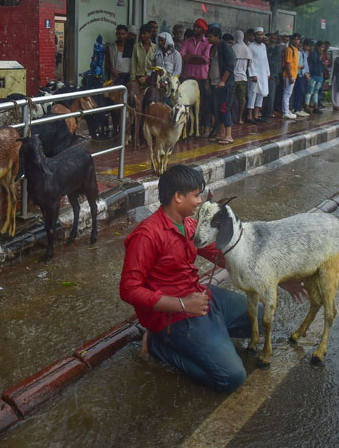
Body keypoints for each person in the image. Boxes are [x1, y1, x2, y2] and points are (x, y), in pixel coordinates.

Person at [119, 164, 306, 393]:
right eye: (196, 195)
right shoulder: (147, 235)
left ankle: (209, 338)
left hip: (201, 298)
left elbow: (224, 255)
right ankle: (159, 345)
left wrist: (281, 278)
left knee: (258, 315)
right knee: (232, 377)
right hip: (173, 315)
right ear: (178, 197)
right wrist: (183, 304)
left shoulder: (189, 224)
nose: (199, 201)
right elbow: (129, 290)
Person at [181, 19, 213, 136]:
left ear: (203, 29)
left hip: (201, 78)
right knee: (185, 103)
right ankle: (187, 128)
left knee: (204, 104)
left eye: (198, 27)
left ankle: (205, 127)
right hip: (187, 77)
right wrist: (197, 58)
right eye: (194, 27)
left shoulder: (207, 43)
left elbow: (205, 59)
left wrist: (191, 57)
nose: (195, 29)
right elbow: (183, 56)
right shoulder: (187, 41)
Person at [206, 26, 235, 144]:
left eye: (210, 36)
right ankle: (221, 133)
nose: (208, 39)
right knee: (216, 109)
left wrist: (223, 81)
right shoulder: (212, 48)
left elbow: (229, 67)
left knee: (224, 108)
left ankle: (228, 135)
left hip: (224, 84)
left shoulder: (226, 48)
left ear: (217, 36)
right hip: (214, 82)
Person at [246, 26, 270, 123]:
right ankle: (249, 116)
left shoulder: (263, 46)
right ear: (254, 35)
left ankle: (256, 115)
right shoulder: (250, 46)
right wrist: (253, 74)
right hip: (255, 75)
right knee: (252, 94)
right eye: (258, 35)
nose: (260, 36)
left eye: (261, 34)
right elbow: (250, 61)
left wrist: (268, 72)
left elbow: (265, 60)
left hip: (263, 74)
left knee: (261, 94)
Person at [231, 30, 251, 124]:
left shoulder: (233, 48)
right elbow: (248, 64)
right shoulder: (247, 49)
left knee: (230, 98)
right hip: (243, 77)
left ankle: (230, 118)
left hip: (233, 77)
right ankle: (240, 118)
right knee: (242, 99)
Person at [262, 33, 283, 120]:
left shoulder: (273, 48)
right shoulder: (272, 48)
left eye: (275, 39)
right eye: (272, 38)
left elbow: (276, 64)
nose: (273, 40)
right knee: (268, 95)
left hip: (271, 74)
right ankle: (267, 113)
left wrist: (276, 75)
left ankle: (268, 113)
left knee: (270, 95)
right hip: (270, 74)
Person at [282, 33, 300, 119]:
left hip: (293, 75)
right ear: (291, 40)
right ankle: (285, 111)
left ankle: (287, 110)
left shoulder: (295, 49)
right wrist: (290, 76)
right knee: (287, 93)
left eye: (298, 39)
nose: (296, 41)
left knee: (289, 93)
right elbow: (287, 63)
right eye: (295, 39)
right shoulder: (289, 50)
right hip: (289, 75)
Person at [292, 38, 310, 117]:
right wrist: (302, 70)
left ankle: (299, 108)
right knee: (298, 92)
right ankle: (296, 108)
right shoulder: (297, 52)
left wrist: (306, 72)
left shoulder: (303, 53)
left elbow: (305, 64)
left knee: (301, 92)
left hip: (302, 74)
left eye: (301, 45)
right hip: (298, 74)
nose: (300, 46)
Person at [306, 40, 324, 113]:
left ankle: (315, 107)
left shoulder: (320, 54)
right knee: (309, 91)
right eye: (321, 47)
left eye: (323, 47)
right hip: (313, 75)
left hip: (319, 75)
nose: (322, 49)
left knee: (316, 91)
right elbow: (313, 63)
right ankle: (306, 106)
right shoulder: (313, 53)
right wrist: (320, 56)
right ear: (317, 47)